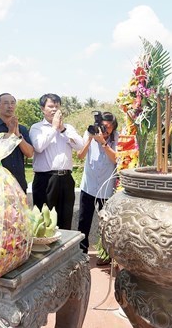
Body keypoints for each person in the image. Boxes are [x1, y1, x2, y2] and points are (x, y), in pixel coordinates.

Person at [29, 93, 84, 230]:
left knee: (66, 218)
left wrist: (62, 130)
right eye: (50, 106)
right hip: (46, 180)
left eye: (57, 106)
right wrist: (54, 128)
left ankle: (65, 250)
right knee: (45, 221)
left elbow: (80, 145)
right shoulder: (37, 128)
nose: (54, 109)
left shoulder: (68, 128)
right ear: (42, 108)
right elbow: (39, 147)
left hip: (66, 179)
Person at [77, 112, 118, 260]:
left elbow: (116, 159)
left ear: (113, 128)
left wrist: (103, 142)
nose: (104, 130)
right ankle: (82, 253)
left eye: (107, 127)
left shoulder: (117, 137)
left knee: (106, 224)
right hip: (88, 186)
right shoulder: (89, 134)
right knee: (83, 222)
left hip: (106, 189)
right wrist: (90, 138)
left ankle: (105, 254)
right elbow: (80, 155)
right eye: (102, 126)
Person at [0, 93, 34, 191]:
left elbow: (29, 153)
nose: (10, 106)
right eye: (6, 103)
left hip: (19, 181)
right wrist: (10, 133)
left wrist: (17, 135)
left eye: (12, 103)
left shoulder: (22, 129)